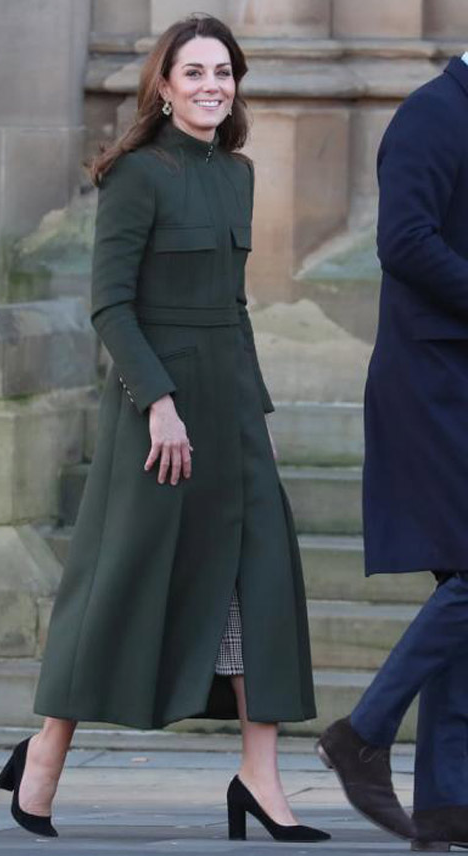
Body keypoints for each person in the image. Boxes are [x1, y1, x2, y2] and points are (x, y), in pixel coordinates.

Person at [0, 14, 329, 845]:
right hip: (156, 415)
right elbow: (111, 305)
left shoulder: (239, 174)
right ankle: (44, 755)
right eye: (196, 72)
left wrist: (257, 412)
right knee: (119, 585)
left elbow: (234, 309)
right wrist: (160, 403)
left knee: (262, 582)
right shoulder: (136, 177)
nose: (213, 85)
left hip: (232, 410)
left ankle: (260, 778)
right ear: (165, 86)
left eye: (224, 72)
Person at [317, 53, 468, 852]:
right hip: (430, 382)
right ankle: (362, 734)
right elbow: (404, 242)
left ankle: (446, 805)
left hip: (459, 379)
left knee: (461, 580)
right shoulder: (432, 114)